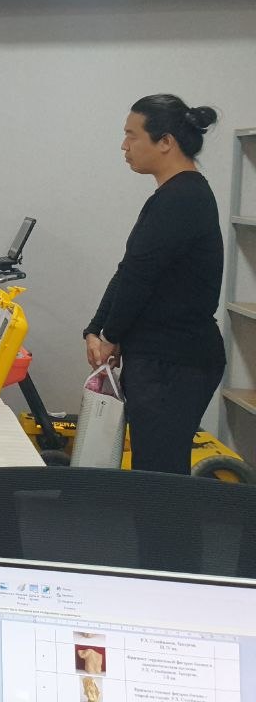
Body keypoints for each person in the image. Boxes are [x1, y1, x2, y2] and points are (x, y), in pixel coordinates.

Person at [83, 94, 224, 475]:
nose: (124, 145)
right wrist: (97, 328)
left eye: (132, 135)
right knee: (154, 475)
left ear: (166, 142)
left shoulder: (184, 198)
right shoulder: (171, 195)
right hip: (162, 359)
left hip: (174, 363)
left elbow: (139, 276)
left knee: (159, 480)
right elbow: (129, 268)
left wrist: (109, 335)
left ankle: (167, 521)